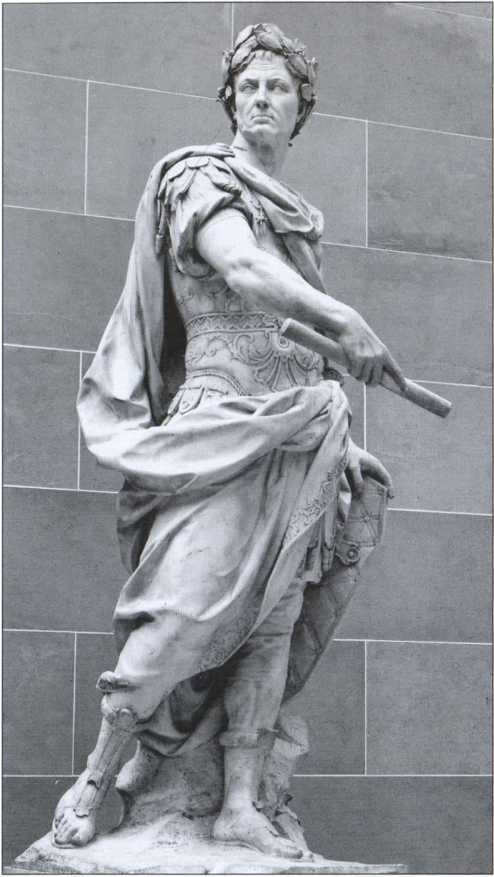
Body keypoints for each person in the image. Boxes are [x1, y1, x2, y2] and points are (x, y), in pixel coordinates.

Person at [52, 23, 404, 858]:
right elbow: (241, 269)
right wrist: (344, 317)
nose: (262, 99)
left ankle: (240, 802)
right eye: (249, 86)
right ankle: (97, 776)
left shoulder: (297, 217)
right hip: (217, 424)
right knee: (179, 609)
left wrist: (339, 438)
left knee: (273, 622)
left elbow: (295, 344)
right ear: (230, 100)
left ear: (300, 109)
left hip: (298, 434)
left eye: (278, 87)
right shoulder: (198, 180)